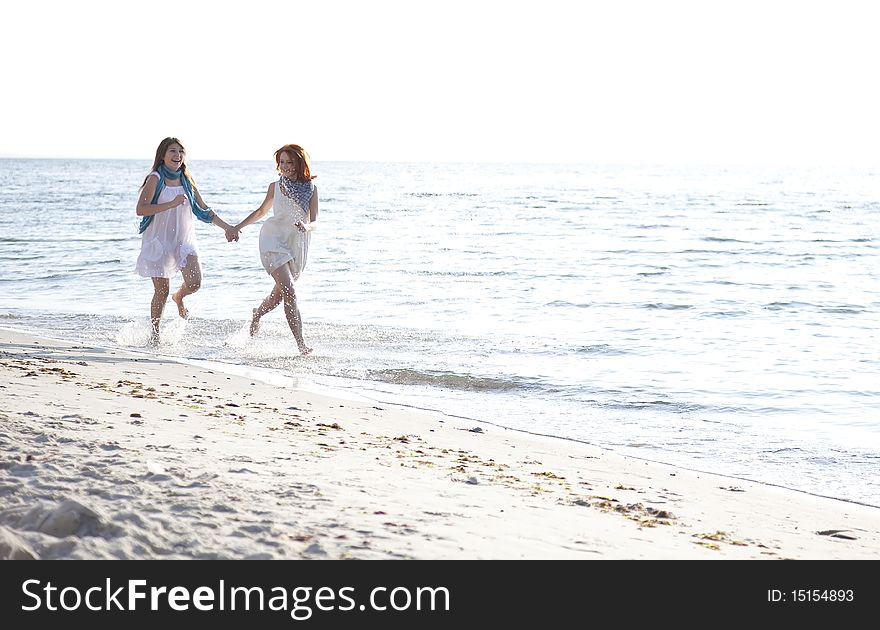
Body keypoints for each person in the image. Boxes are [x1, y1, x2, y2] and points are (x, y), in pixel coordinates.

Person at [135, 137, 238, 344]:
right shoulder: (155, 178)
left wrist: (228, 227)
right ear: (162, 155)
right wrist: (171, 204)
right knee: (161, 291)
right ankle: (155, 335)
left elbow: (204, 209)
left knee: (195, 282)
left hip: (183, 240)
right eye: (172, 151)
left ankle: (179, 297)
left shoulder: (187, 179)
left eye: (181, 152)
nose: (177, 155)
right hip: (159, 240)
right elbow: (141, 209)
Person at [229, 144, 319, 355]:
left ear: (299, 163)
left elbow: (315, 221)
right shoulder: (275, 187)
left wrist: (306, 226)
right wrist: (237, 227)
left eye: (290, 162)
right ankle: (301, 345)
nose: (286, 166)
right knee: (290, 291)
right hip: (272, 240)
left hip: (296, 244)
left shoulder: (311, 189)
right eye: (282, 162)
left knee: (280, 296)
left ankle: (257, 314)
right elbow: (261, 211)